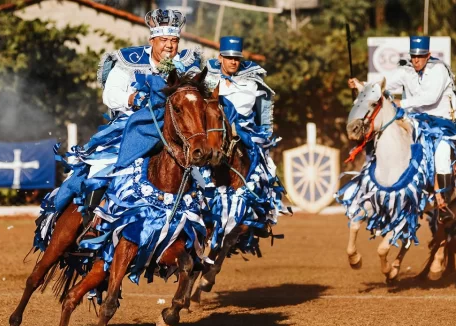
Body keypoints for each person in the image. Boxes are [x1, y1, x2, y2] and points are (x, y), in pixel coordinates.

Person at [54, 9, 201, 229]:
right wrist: (133, 97)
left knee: (202, 177)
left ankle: (197, 232)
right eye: (163, 40)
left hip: (175, 132)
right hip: (129, 127)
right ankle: (90, 222)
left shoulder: (187, 64)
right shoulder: (128, 60)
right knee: (100, 167)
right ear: (152, 40)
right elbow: (110, 95)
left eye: (174, 40)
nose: (169, 46)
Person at [348, 36, 456, 220]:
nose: (416, 60)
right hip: (416, 120)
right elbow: (379, 87)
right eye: (413, 56)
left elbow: (431, 97)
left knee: (442, 152)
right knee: (388, 135)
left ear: (429, 55)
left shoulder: (439, 70)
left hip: (442, 123)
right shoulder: (406, 70)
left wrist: (402, 102)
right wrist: (360, 84)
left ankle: (443, 199)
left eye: (420, 56)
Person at [202, 36, 285, 249]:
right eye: (228, 57)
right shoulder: (207, 78)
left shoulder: (253, 80)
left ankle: (260, 216)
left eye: (236, 58)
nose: (233, 62)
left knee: (265, 168)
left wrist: (265, 135)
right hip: (215, 132)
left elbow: (265, 109)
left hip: (246, 133)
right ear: (220, 57)